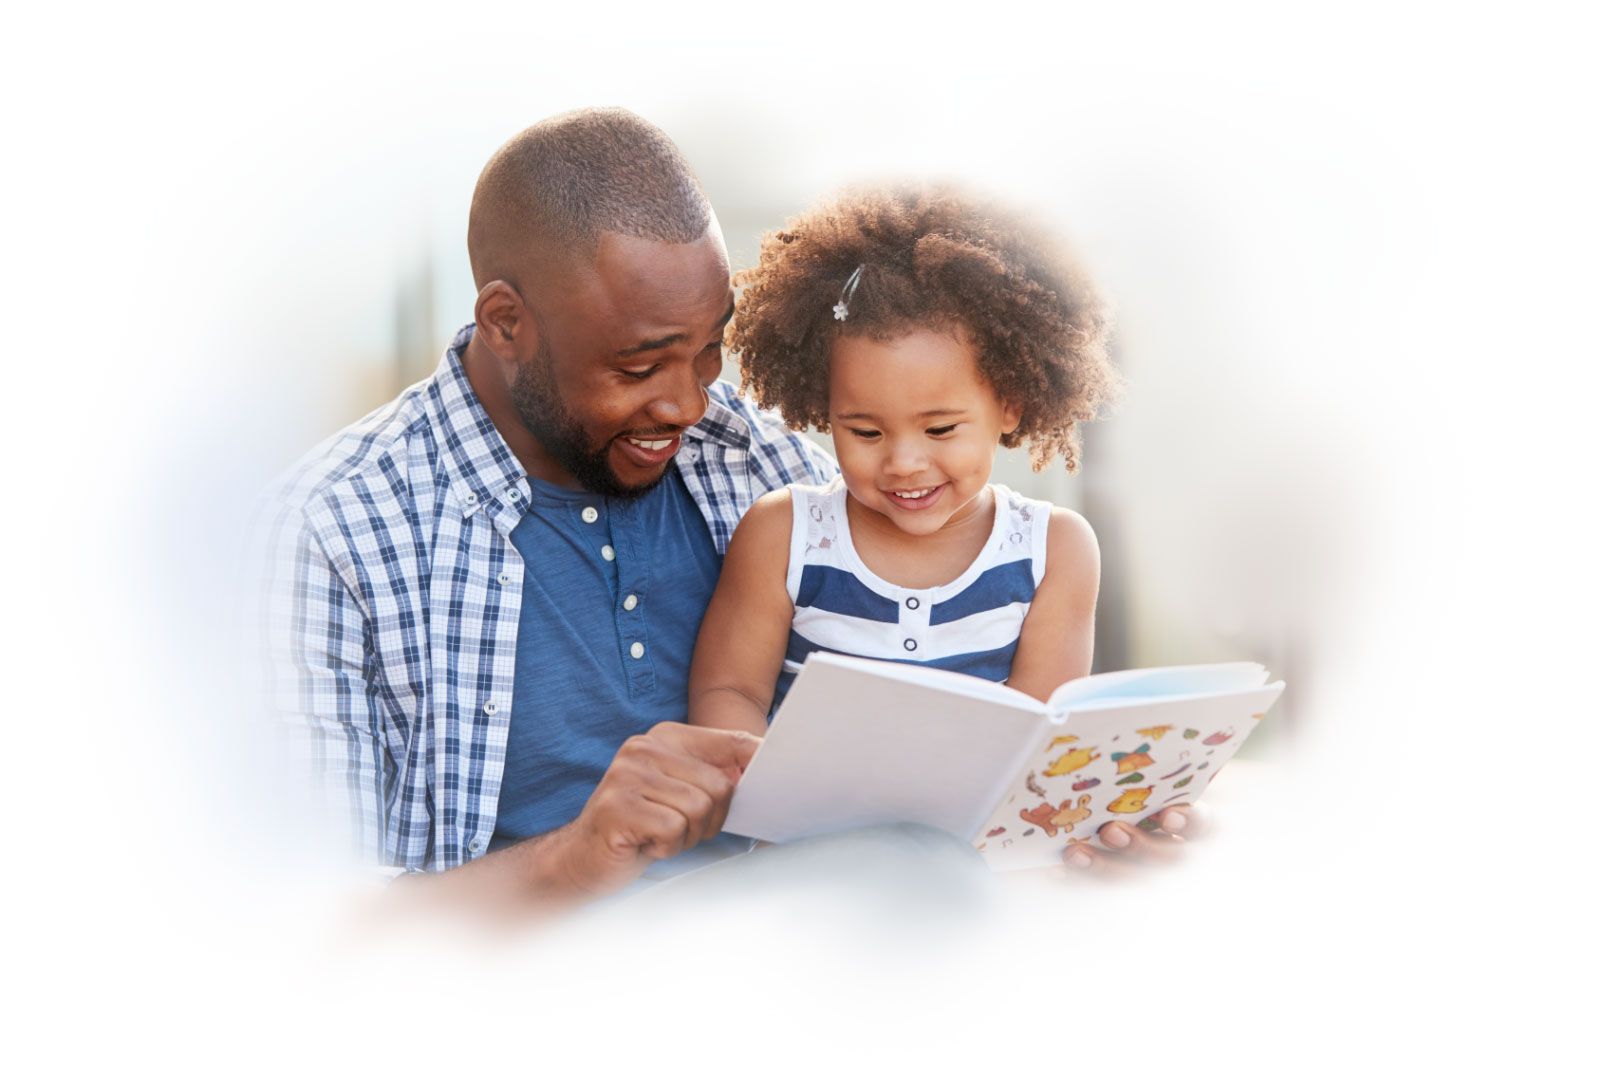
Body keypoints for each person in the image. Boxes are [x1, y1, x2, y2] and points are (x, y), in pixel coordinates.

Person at [261, 110, 1190, 919]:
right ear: (506, 322)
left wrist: (1087, 812)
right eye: (639, 366)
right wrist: (575, 857)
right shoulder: (338, 529)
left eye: (708, 352)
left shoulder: (757, 467)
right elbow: (304, 928)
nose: (689, 404)